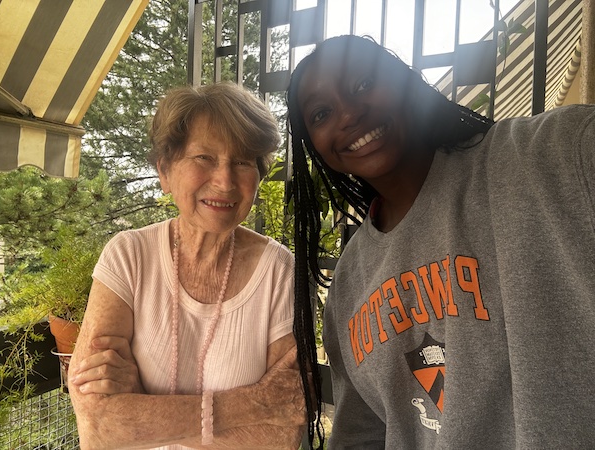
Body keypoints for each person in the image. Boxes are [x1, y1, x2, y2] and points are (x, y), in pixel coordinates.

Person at [286, 34, 595, 449]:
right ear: (316, 148)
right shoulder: (348, 284)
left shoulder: (550, 154)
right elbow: (361, 435)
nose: (349, 113)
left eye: (363, 83)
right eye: (321, 113)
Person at [68, 82, 306, 449]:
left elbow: (283, 430)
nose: (225, 180)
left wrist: (141, 401)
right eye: (204, 158)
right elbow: (100, 424)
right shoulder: (128, 257)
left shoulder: (278, 271)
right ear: (165, 171)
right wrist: (257, 404)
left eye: (243, 162)